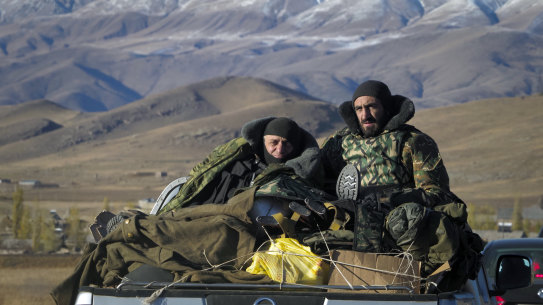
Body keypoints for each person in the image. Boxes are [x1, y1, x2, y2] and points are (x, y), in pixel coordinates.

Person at [320, 80, 483, 292]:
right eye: (359, 108)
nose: (365, 114)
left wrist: (390, 199)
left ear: (386, 107)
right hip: (349, 232)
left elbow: (438, 194)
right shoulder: (338, 143)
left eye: (372, 106)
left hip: (400, 238)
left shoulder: (413, 142)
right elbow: (319, 181)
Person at [158, 116, 323, 214]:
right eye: (274, 142)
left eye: (287, 144)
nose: (279, 149)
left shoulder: (295, 179)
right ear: (263, 140)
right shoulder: (233, 164)